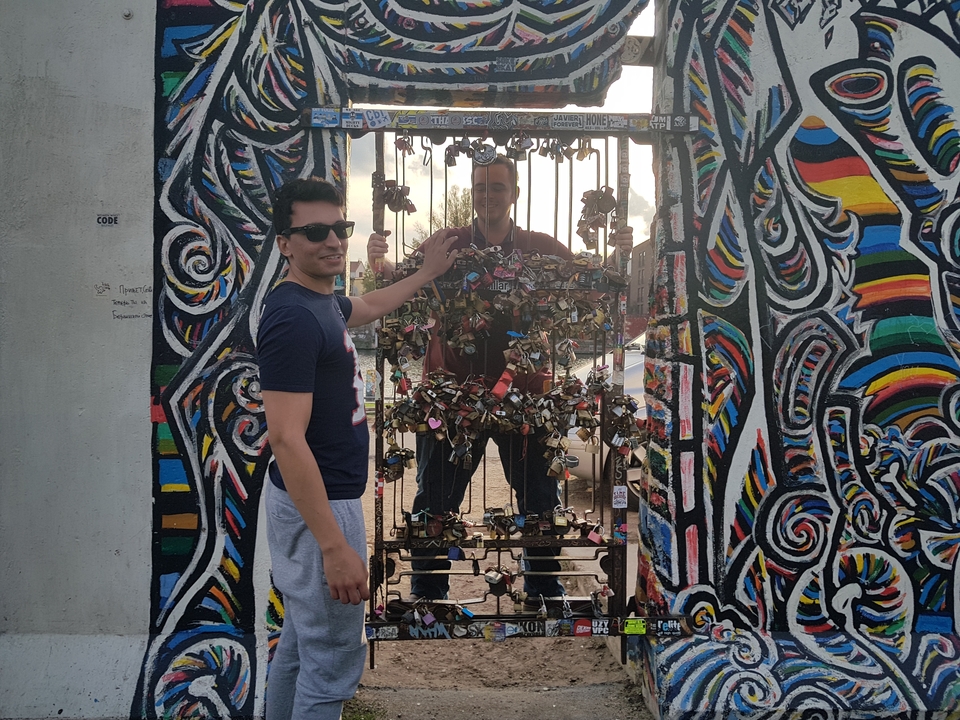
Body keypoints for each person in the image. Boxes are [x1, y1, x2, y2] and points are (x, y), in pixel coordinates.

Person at [368, 156, 633, 603]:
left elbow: (590, 288)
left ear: (514, 193)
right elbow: (404, 282)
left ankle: (543, 592)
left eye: (497, 187)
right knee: (435, 502)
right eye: (480, 187)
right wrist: (381, 261)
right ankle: (427, 597)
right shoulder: (447, 242)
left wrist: (617, 254)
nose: (487, 195)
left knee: (541, 502)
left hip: (525, 398)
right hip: (451, 398)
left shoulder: (539, 246)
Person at [258, 176, 457, 720]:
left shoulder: (318, 303)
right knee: (332, 661)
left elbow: (368, 303)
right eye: (314, 232)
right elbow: (285, 438)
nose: (332, 240)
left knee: (301, 646)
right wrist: (333, 546)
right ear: (285, 243)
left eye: (339, 228)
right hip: (321, 508)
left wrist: (425, 273)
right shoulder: (294, 318)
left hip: (320, 504)